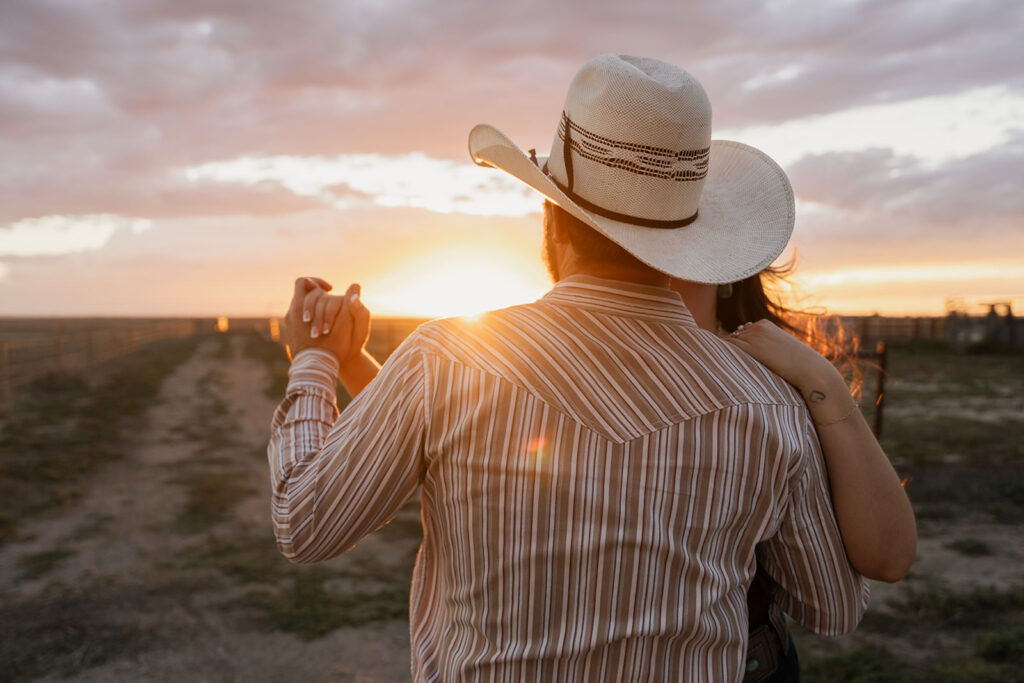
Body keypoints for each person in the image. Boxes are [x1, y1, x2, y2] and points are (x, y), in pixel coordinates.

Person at [269, 54, 871, 681]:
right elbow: (832, 605)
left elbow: (305, 524)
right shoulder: (767, 404)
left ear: (552, 215)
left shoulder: (446, 361)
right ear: (685, 242)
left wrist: (314, 358)